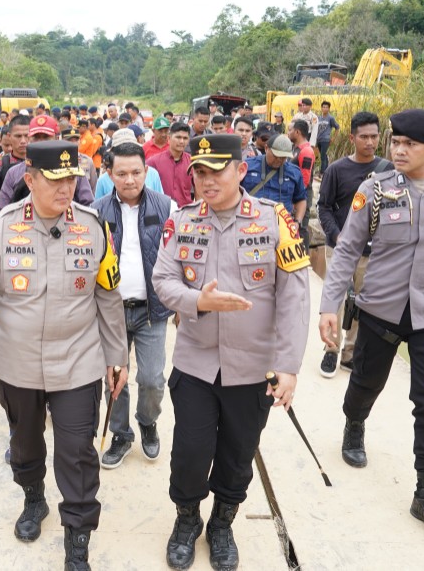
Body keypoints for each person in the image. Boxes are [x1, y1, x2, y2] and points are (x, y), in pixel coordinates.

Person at [0, 140, 128, 571]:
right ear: (29, 179)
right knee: (25, 443)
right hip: (17, 363)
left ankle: (78, 540)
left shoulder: (93, 227)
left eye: (72, 178)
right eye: (55, 180)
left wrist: (117, 355)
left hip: (78, 360)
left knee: (77, 451)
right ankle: (33, 498)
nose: (66, 188)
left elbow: (107, 295)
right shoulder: (1, 228)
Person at [152, 133, 310, 571]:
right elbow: (162, 279)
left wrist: (289, 365)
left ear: (241, 170)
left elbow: (296, 293)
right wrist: (196, 301)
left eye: (216, 170)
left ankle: (223, 522)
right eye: (198, 172)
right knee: (189, 450)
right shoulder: (183, 221)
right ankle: (187, 520)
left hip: (253, 368)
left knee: (238, 453)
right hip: (196, 364)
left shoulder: (274, 220)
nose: (206, 180)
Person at [319, 109, 424, 547]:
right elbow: (347, 250)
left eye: (410, 144)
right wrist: (329, 305)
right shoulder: (375, 191)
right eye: (396, 142)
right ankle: (354, 422)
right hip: (382, 309)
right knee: (367, 381)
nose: (398, 150)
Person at [94, 142, 175, 469]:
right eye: (122, 173)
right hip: (111, 313)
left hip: (151, 311)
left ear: (147, 172)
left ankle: (147, 421)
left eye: (136, 173)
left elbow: (179, 257)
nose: (130, 180)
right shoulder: (96, 210)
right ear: (110, 174)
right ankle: (121, 433)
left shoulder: (167, 207)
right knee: (114, 379)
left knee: (153, 379)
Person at [316, 111, 391, 377]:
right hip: (339, 246)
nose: (369, 142)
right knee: (336, 298)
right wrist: (339, 237)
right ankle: (331, 351)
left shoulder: (388, 171)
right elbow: (323, 207)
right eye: (364, 137)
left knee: (363, 301)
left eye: (374, 136)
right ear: (352, 138)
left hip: (372, 252)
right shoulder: (337, 170)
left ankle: (350, 353)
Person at [0, 116, 95, 210]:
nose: (41, 143)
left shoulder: (72, 171)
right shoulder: (14, 173)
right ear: (29, 139)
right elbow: (3, 210)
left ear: (57, 138)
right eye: (36, 138)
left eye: (46, 137)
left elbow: (87, 205)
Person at [240, 134, 307, 223]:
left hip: (282, 224)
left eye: (283, 157)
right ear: (266, 148)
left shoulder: (294, 172)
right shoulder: (248, 166)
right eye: (276, 155)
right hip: (251, 222)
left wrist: (297, 222)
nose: (279, 160)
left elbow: (301, 199)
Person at [96, 129, 165, 199]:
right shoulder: (103, 180)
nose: (129, 181)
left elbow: (159, 201)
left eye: (136, 173)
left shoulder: (153, 174)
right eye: (121, 174)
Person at [148, 122, 193, 207]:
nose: (182, 141)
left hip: (185, 211)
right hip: (162, 210)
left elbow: (198, 190)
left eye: (185, 138)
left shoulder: (192, 162)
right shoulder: (153, 162)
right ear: (169, 138)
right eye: (178, 137)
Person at [289, 119, 316, 249]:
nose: (288, 133)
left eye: (290, 130)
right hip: (294, 194)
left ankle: (304, 258)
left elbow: (305, 180)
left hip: (301, 195)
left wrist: (298, 201)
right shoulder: (295, 148)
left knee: (302, 227)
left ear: (297, 132)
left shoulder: (306, 152)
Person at [317, 101, 339, 173]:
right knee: (323, 155)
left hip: (326, 139)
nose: (325, 109)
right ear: (321, 108)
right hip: (319, 139)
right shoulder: (319, 118)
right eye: (323, 107)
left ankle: (322, 172)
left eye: (327, 107)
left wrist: (333, 138)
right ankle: (327, 171)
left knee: (323, 156)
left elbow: (337, 128)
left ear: (329, 109)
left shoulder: (330, 118)